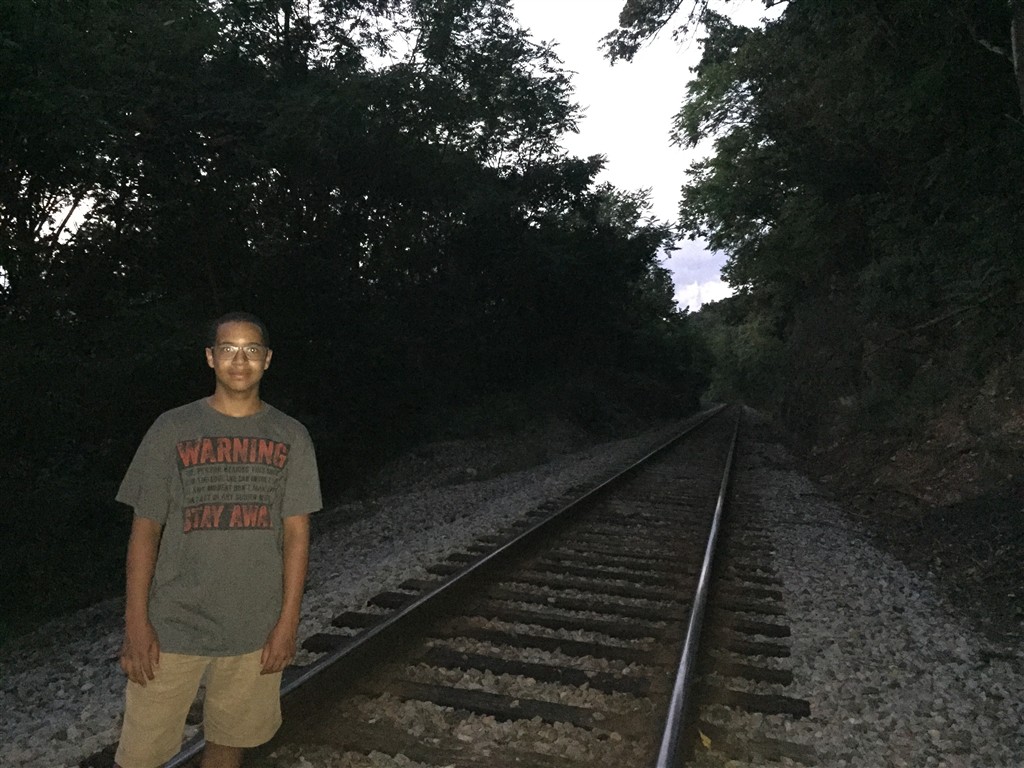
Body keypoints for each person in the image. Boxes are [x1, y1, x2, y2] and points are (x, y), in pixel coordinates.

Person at [113, 311, 322, 768]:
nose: (239, 361)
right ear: (211, 357)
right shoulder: (172, 429)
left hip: (254, 627)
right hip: (172, 625)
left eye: (251, 350)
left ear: (267, 359)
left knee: (229, 744)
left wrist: (287, 624)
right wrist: (136, 623)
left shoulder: (291, 435)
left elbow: (296, 535)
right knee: (139, 757)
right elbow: (145, 530)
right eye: (228, 349)